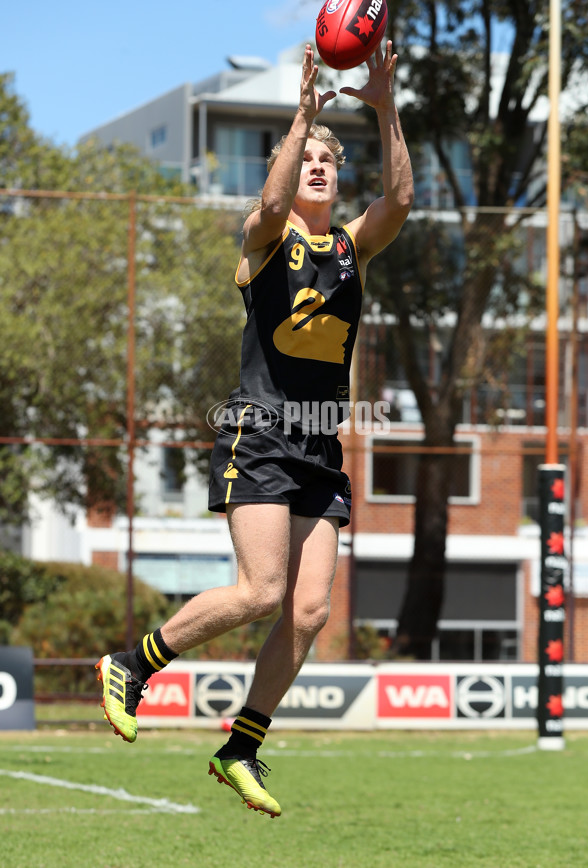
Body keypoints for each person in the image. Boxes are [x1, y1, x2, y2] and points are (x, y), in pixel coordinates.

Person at [96, 41, 413, 819]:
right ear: (287, 164)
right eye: (304, 158)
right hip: (260, 427)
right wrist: (304, 112)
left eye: (326, 162)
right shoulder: (265, 239)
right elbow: (268, 210)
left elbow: (400, 202)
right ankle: (132, 665)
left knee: (308, 612)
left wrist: (384, 103)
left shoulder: (351, 248)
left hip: (319, 441)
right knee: (262, 590)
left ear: (338, 177)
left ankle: (242, 745)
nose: (316, 168)